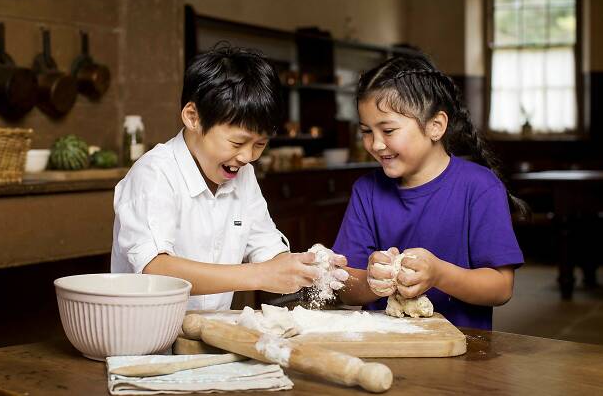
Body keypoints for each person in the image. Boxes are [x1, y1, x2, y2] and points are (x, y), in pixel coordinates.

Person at [111, 44, 347, 310]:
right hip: (149, 343)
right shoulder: (154, 173)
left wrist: (303, 267)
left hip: (207, 338)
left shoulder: (243, 173)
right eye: (237, 143)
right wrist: (259, 274)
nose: (248, 157)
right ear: (193, 117)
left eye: (260, 144)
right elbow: (155, 270)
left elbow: (266, 247)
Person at [334, 52, 525, 330]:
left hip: (462, 350)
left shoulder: (479, 188)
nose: (375, 144)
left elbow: (501, 288)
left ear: (435, 126)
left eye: (388, 130)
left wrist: (438, 274)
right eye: (366, 131)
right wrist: (371, 281)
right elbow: (343, 285)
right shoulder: (367, 191)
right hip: (384, 346)